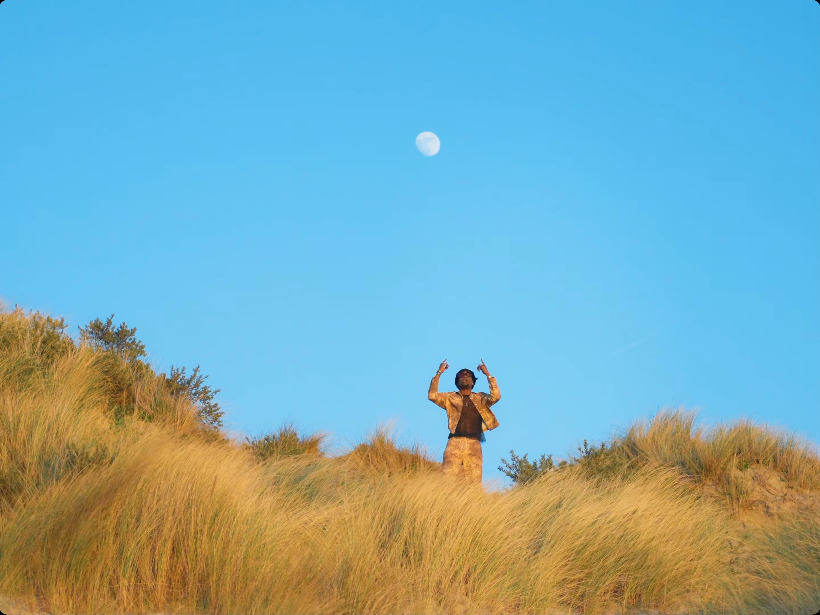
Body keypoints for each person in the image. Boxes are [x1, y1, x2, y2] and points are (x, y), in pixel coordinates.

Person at [427, 359, 501, 483]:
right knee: (447, 479)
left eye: (468, 375)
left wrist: (487, 374)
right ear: (457, 381)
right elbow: (432, 395)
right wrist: (439, 372)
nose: (465, 377)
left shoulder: (480, 397)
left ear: (473, 382)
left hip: (474, 444)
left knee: (474, 482)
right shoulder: (449, 397)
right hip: (454, 442)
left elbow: (496, 396)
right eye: (461, 375)